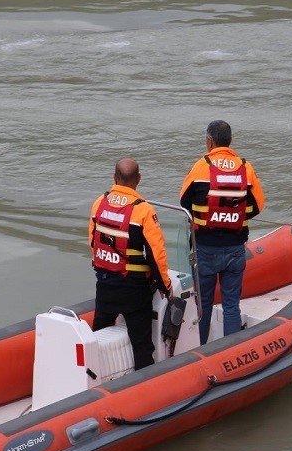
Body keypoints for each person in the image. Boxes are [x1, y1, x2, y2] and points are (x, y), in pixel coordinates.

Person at [179, 120, 265, 345]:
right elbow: (258, 204)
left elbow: (183, 201)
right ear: (230, 141)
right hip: (235, 246)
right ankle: (232, 352)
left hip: (205, 247)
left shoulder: (200, 167)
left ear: (209, 141)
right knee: (231, 305)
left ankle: (201, 352)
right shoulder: (246, 167)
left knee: (203, 305)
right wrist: (234, 218)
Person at [89, 158, 172, 370]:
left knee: (99, 335)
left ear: (114, 177)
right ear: (139, 179)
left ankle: (96, 378)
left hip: (105, 284)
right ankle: (145, 387)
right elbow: (156, 254)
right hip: (134, 290)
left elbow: (93, 241)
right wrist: (165, 287)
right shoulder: (143, 210)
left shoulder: (100, 202)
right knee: (142, 345)